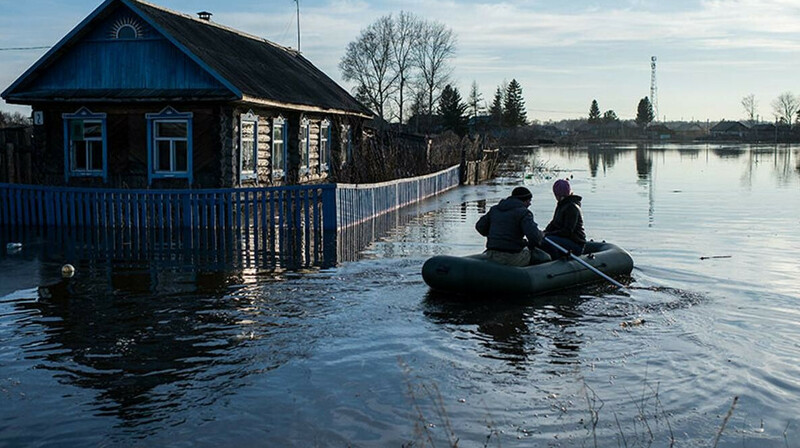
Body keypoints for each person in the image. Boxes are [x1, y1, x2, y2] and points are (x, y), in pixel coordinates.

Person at [475, 186, 550, 266]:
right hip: (511, 256)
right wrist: (539, 236)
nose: (530, 203)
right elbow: (534, 237)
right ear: (524, 200)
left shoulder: (495, 209)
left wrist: (495, 235)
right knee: (545, 257)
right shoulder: (524, 213)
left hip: (491, 254)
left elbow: (480, 227)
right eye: (529, 201)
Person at [542, 178, 586, 259]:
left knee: (548, 240)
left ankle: (555, 260)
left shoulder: (572, 208)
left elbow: (567, 231)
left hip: (575, 244)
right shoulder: (561, 205)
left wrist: (548, 234)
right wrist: (544, 232)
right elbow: (554, 223)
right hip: (565, 240)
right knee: (544, 239)